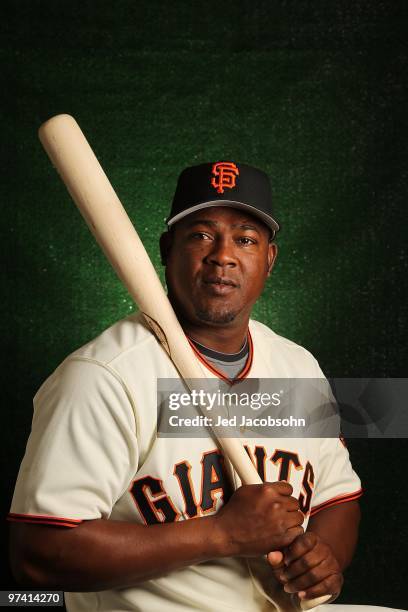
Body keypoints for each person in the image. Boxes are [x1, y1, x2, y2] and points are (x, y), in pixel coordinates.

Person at [8, 162, 400, 612]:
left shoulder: (298, 367)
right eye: (200, 235)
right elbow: (37, 556)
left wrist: (322, 558)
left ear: (269, 259)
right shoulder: (103, 376)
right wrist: (222, 534)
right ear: (166, 249)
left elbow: (336, 500)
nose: (223, 256)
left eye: (246, 239)